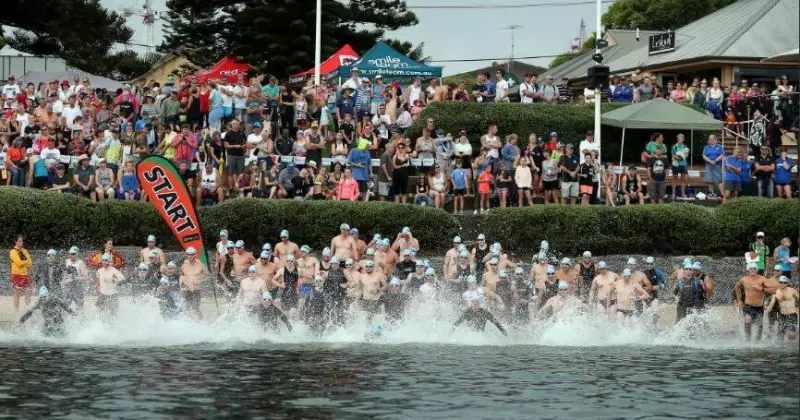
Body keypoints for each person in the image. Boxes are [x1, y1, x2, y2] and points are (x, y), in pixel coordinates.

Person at [734, 263, 768, 341]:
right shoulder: (744, 279)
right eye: (751, 268)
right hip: (748, 305)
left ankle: (757, 341)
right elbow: (737, 287)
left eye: (754, 268)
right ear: (748, 270)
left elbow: (770, 289)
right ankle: (748, 341)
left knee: (759, 325)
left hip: (759, 306)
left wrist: (762, 289)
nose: (752, 270)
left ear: (757, 270)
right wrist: (739, 300)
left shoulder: (762, 279)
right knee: (747, 321)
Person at [179, 247, 210, 319]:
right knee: (187, 308)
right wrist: (181, 285)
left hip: (196, 290)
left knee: (195, 308)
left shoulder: (201, 265)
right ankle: (188, 322)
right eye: (188, 254)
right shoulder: (184, 266)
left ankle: (201, 321)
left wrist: (200, 280)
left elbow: (208, 276)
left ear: (195, 255)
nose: (190, 256)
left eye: (192, 254)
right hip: (187, 290)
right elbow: (181, 276)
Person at [764, 276, 798, 341]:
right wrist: (767, 310)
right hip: (781, 315)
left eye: (784, 282)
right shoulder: (776, 293)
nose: (782, 284)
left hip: (792, 314)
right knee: (780, 335)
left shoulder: (792, 291)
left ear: (787, 283)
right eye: (781, 282)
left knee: (791, 335)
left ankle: (795, 334)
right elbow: (771, 303)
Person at [95, 252, 125, 317]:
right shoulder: (99, 271)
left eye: (106, 260)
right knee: (98, 314)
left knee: (114, 316)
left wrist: (113, 280)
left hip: (112, 296)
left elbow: (122, 279)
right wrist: (97, 289)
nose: (104, 262)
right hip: (102, 295)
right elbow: (98, 282)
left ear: (109, 261)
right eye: (103, 260)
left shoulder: (113, 270)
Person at [9, 235, 33, 312]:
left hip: (25, 274)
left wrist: (24, 263)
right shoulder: (13, 251)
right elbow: (18, 263)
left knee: (28, 290)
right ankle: (16, 309)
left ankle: (28, 308)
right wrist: (26, 262)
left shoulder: (24, 250)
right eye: (20, 241)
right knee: (17, 292)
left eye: (22, 241)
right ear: (15, 242)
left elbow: (30, 263)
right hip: (17, 274)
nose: (21, 242)